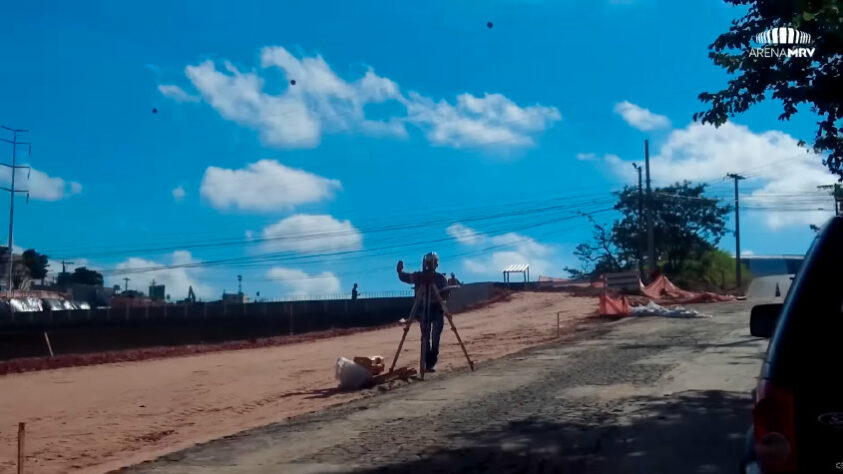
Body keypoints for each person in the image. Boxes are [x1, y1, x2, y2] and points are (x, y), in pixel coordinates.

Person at [396, 252, 449, 372]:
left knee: (435, 337)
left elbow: (446, 294)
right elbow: (406, 277)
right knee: (425, 337)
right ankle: (426, 363)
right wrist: (400, 272)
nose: (429, 265)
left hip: (437, 310)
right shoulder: (419, 276)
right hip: (423, 310)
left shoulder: (440, 278)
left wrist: (441, 294)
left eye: (431, 262)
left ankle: (430, 363)